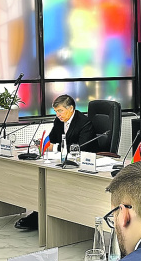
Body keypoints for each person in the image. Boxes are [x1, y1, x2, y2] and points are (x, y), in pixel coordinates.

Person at [15, 94, 94, 230]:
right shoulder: (59, 121)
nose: (58, 115)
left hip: (84, 163)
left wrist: (55, 147)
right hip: (63, 162)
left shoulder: (84, 122)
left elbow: (82, 147)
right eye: (56, 111)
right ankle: (40, 213)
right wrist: (43, 144)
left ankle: (42, 216)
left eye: (60, 111)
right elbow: (51, 139)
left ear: (71, 108)